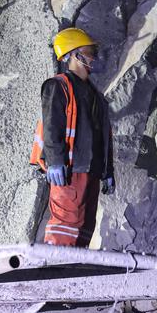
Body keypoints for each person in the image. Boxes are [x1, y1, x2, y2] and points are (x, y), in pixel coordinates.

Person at [30, 27, 115, 247]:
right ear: (75, 54)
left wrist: (107, 171)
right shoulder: (58, 86)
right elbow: (52, 126)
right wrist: (56, 162)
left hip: (92, 171)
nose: (94, 57)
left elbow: (104, 136)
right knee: (65, 229)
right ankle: (56, 274)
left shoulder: (97, 97)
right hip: (68, 171)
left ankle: (77, 272)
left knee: (85, 228)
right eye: (90, 52)